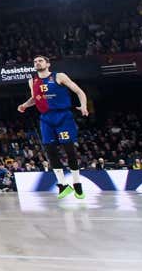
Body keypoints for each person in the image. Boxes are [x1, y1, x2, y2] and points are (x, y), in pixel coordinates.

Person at [18, 55, 90, 199]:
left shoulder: (59, 76)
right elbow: (36, 98)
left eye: (40, 61)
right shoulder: (32, 81)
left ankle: (77, 183)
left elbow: (79, 91)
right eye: (35, 61)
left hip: (63, 116)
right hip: (46, 118)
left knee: (69, 148)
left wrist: (83, 105)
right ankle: (63, 185)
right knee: (50, 150)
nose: (37, 63)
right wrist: (25, 105)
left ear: (48, 64)